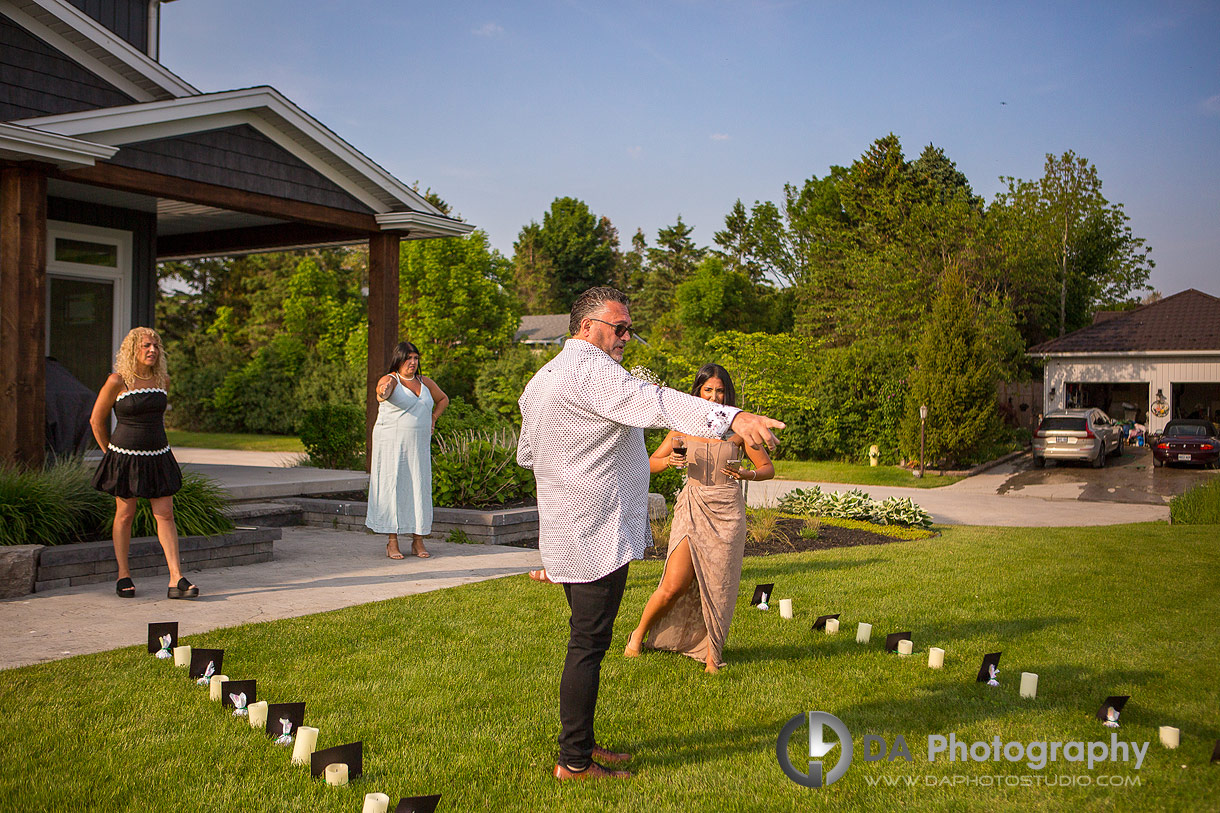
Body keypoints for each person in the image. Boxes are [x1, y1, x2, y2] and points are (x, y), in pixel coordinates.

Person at [517, 286, 784, 781]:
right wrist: (734, 417)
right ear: (586, 328)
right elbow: (655, 402)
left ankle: (583, 745)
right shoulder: (589, 367)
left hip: (575, 532)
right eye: (618, 328)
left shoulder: (544, 377)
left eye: (628, 330)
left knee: (587, 642)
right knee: (588, 645)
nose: (625, 338)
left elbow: (528, 453)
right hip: (595, 533)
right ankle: (573, 762)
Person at [623, 363, 774, 673]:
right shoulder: (682, 427)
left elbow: (767, 469)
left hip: (727, 513)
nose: (715, 396)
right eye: (708, 390)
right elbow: (649, 462)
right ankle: (637, 636)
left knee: (719, 586)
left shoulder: (738, 430)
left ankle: (712, 656)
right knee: (673, 584)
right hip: (691, 507)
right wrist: (669, 461)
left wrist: (746, 473)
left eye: (720, 391)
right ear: (698, 392)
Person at [89, 327, 197, 599]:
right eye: (146, 346)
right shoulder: (118, 381)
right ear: (132, 350)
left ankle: (176, 578)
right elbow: (96, 420)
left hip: (158, 456)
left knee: (166, 515)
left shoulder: (163, 380)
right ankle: (123, 574)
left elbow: (157, 419)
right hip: (125, 457)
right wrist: (109, 454)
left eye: (156, 346)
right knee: (125, 515)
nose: (152, 350)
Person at [365, 341, 449, 559]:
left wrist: (433, 418)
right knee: (393, 487)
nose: (413, 362)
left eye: (416, 358)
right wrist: (383, 391)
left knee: (418, 488)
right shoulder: (391, 379)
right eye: (408, 358)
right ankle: (392, 542)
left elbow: (443, 399)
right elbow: (382, 391)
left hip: (418, 447)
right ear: (399, 359)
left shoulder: (425, 382)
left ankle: (417, 540)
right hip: (391, 446)